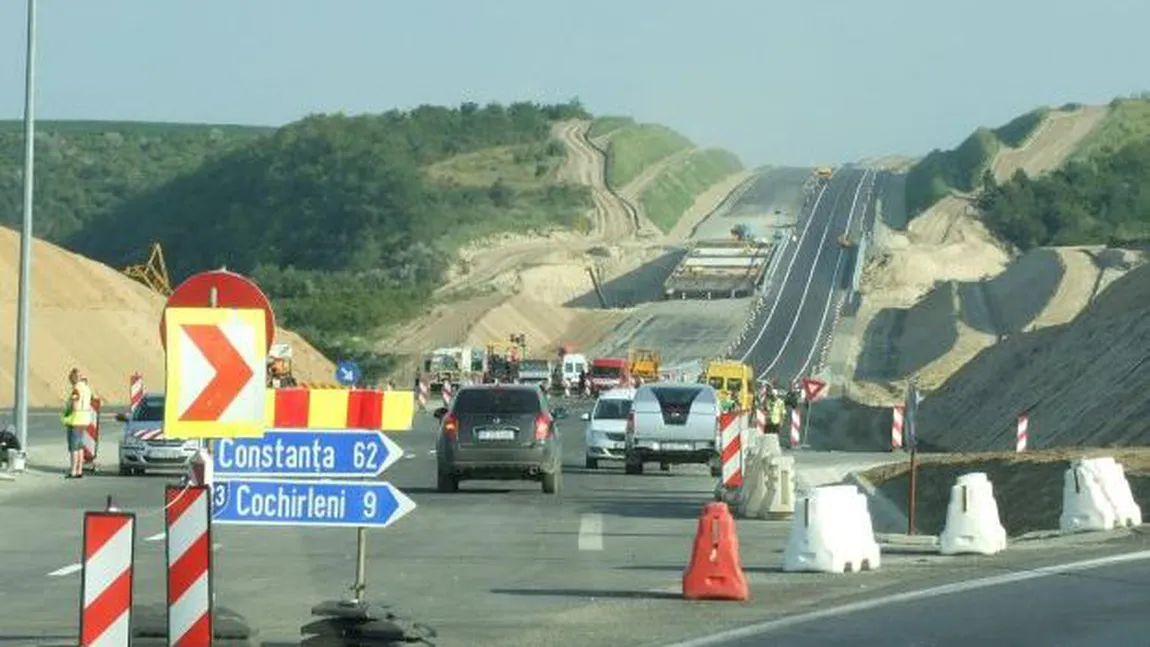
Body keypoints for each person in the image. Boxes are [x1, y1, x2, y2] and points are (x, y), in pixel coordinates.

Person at [61, 367, 94, 479]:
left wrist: (66, 414)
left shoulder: (76, 389)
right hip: (85, 418)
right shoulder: (87, 388)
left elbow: (74, 405)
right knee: (80, 446)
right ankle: (79, 469)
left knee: (74, 447)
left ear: (73, 378)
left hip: (76, 419)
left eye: (70, 379)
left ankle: (73, 471)